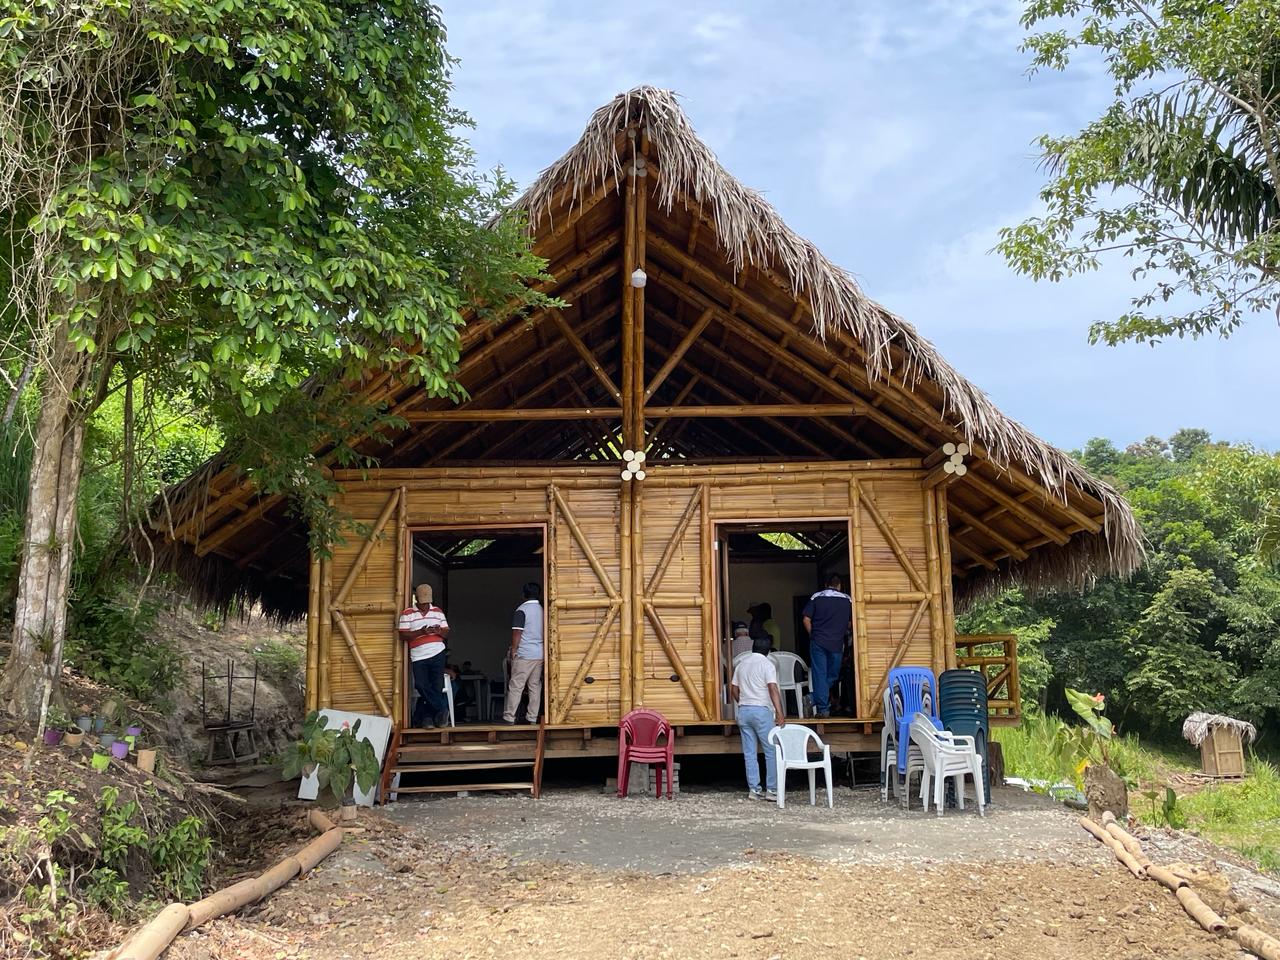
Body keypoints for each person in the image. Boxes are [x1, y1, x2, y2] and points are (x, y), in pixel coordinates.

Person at [730, 636, 787, 800]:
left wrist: (743, 702)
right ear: (768, 651)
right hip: (761, 711)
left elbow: (733, 689)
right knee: (771, 751)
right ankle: (772, 790)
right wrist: (780, 713)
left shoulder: (742, 664)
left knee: (749, 753)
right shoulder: (767, 664)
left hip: (743, 711)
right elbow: (772, 688)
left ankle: (754, 790)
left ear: (753, 648)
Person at [802, 574, 854, 719]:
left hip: (818, 642)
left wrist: (813, 635)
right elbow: (851, 623)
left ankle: (813, 698)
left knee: (820, 675)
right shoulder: (847, 600)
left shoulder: (816, 597)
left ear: (826, 584)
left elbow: (806, 619)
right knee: (833, 675)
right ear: (839, 585)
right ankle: (823, 708)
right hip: (836, 643)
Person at [399, 584, 450, 728]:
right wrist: (421, 632)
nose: (425, 605)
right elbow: (403, 635)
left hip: (438, 653)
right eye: (423, 602)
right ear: (417, 599)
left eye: (427, 602)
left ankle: (427, 719)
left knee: (436, 687)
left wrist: (439, 631)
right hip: (418, 656)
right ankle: (442, 709)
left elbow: (446, 632)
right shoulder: (407, 613)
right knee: (421, 685)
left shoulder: (438, 612)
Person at [503, 582, 544, 725]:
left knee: (516, 685)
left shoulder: (522, 610)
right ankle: (532, 717)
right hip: (539, 653)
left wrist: (514, 650)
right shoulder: (542, 610)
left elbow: (517, 632)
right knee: (535, 686)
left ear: (523, 594)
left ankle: (509, 716)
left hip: (525, 653)